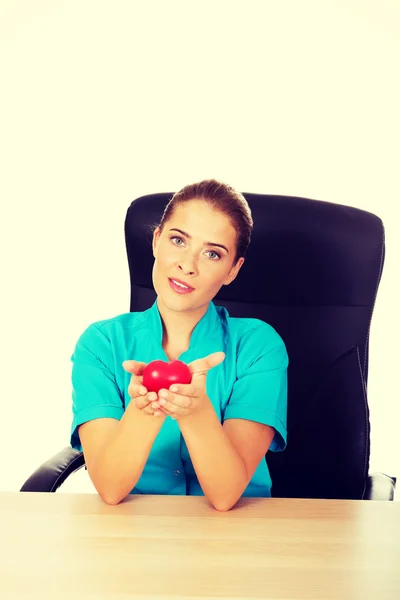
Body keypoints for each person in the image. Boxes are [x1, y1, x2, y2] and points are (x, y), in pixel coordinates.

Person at [70, 179, 288, 511]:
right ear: (157, 240)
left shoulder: (259, 347)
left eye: (213, 253)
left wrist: (195, 413)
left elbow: (226, 495)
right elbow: (111, 490)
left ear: (233, 270)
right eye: (178, 240)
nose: (188, 265)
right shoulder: (101, 345)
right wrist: (146, 409)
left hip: (236, 537)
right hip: (135, 532)